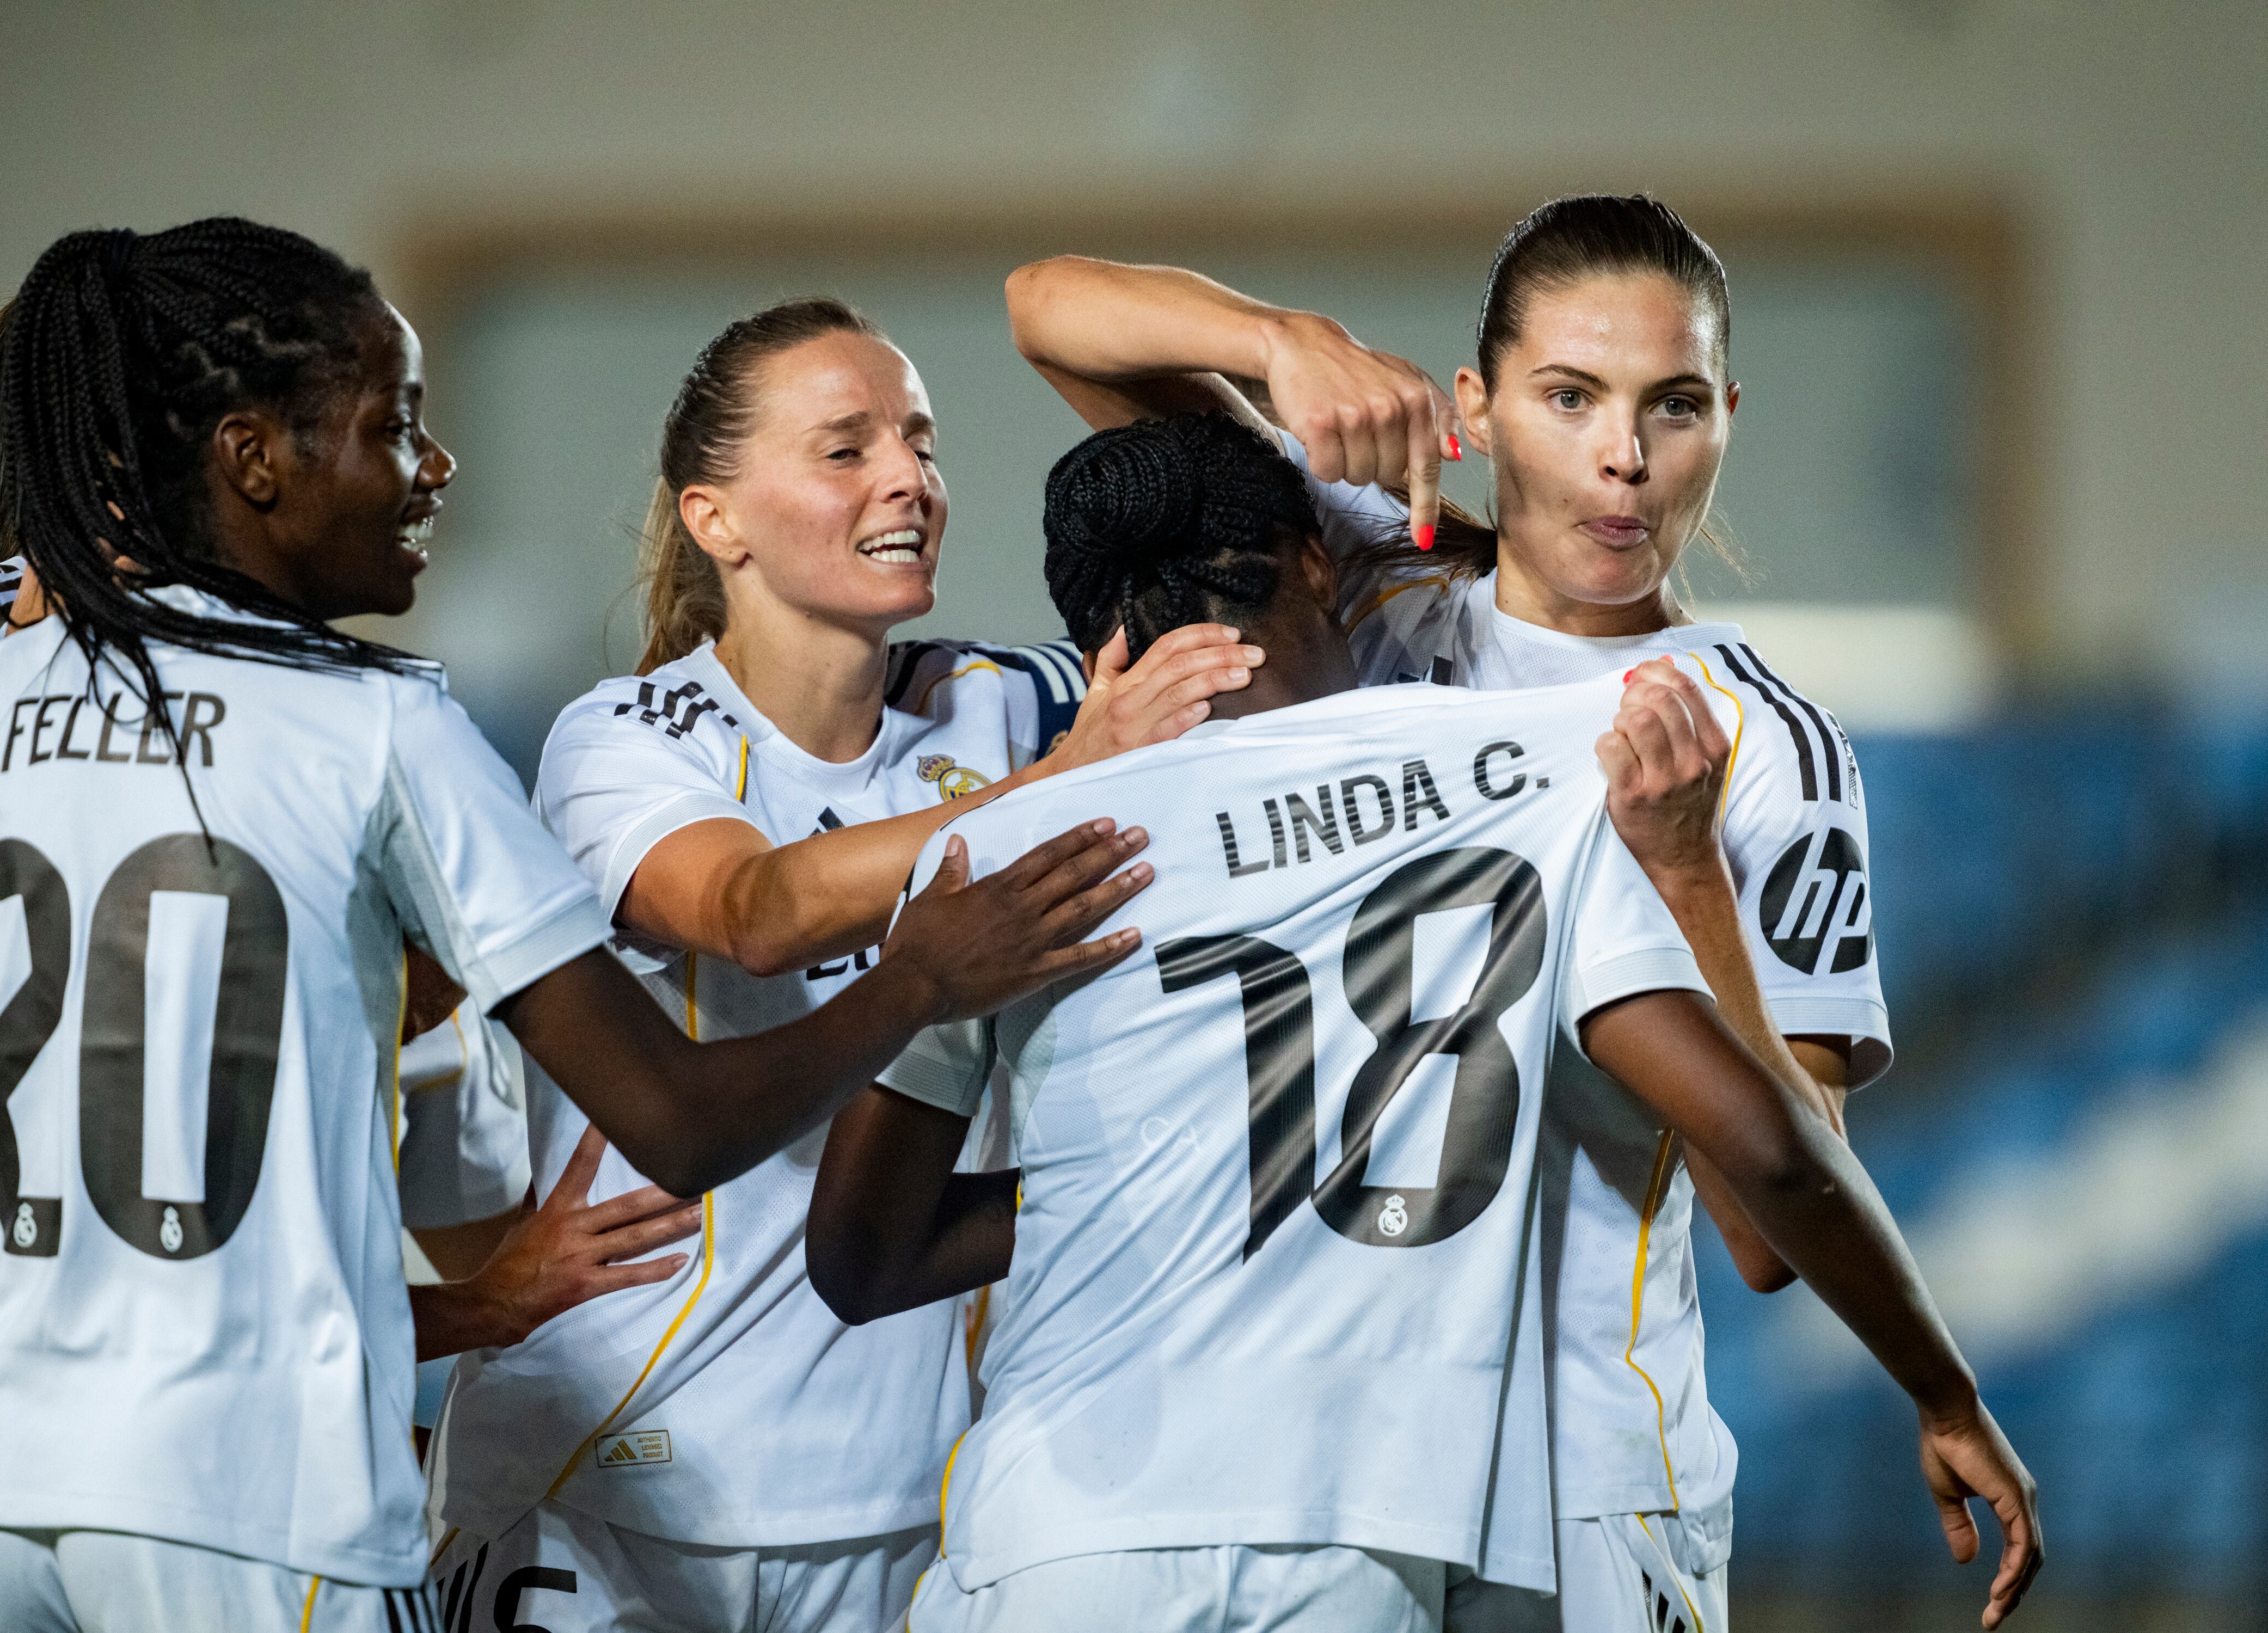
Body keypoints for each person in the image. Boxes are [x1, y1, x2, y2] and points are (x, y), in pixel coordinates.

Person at [0, 219, 1147, 1633]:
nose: (433, 469)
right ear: (252, 457)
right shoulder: (381, 727)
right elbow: (687, 1097)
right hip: (256, 1497)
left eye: (923, 441)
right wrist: (923, 975)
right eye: (392, 429)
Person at [806, 412, 2037, 1632]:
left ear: (1094, 642)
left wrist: (1139, 1183)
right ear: (1313, 563)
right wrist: (1942, 1392)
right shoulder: (1532, 776)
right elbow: (1766, 1151)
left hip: (1053, 1540)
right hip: (1356, 1545)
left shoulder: (998, 850)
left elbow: (865, 1257)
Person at [1003, 195, 1921, 1629]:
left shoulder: (1766, 748)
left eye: (1670, 405)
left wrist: (1681, 869)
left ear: (1726, 417)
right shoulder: (1377, 582)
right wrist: (1276, 344)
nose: (1620, 456)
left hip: (1583, 1477)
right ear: (1477, 408)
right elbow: (1046, 306)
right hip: (1335, 1471)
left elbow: (1765, 1231)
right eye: (1570, 397)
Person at [427, 297, 1259, 1633]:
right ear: (717, 519)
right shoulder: (627, 734)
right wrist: (1062, 782)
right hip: (622, 1468)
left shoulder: (1007, 699)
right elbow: (757, 908)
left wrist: (1271, 357)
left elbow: (1230, 524)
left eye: (921, 443)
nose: (910, 480)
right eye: (846, 448)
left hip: (895, 1486)